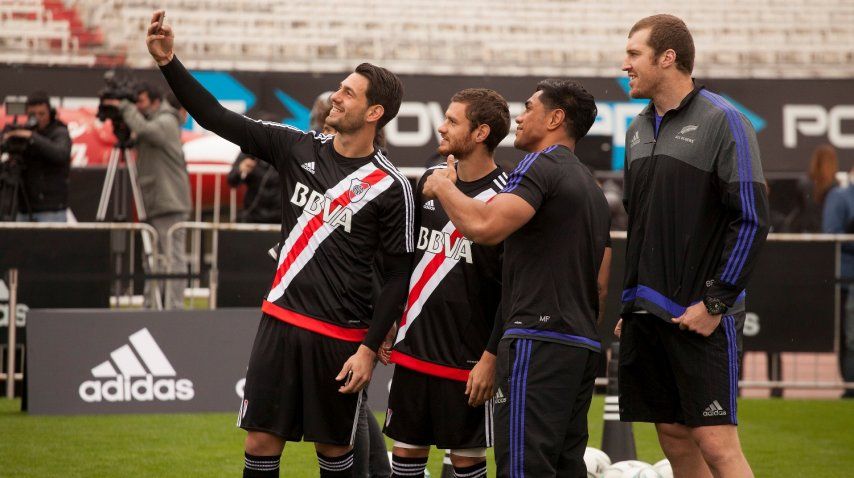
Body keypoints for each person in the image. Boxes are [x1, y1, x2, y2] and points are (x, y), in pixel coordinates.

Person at [146, 10, 413, 478]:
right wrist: (169, 62)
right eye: (341, 86)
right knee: (261, 441)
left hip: (340, 338)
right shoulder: (295, 146)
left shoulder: (392, 186)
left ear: (374, 113)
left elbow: (396, 276)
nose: (337, 95)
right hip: (280, 323)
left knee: (334, 452)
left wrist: (369, 349)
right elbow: (214, 117)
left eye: (349, 92)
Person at [422, 79, 611, 477]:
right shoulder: (591, 188)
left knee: (523, 467)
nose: (520, 118)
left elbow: (485, 225)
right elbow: (601, 281)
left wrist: (441, 186)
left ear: (556, 118)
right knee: (564, 467)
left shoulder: (540, 165)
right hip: (580, 344)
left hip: (538, 340)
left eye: (528, 108)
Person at [615, 14, 770, 478]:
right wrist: (632, 304)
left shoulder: (725, 120)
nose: (624, 65)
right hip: (649, 312)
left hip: (702, 314)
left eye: (633, 54)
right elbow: (641, 224)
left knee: (715, 442)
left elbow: (752, 218)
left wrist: (716, 301)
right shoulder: (637, 128)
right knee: (674, 437)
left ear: (668, 58)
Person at [383, 88, 510, 478]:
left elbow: (512, 290)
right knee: (404, 459)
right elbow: (406, 261)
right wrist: (390, 322)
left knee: (467, 463)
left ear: (480, 132)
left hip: (467, 362)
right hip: (413, 351)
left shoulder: (507, 197)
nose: (441, 127)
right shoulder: (430, 179)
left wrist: (490, 358)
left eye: (453, 121)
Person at [310, 91, 392, 478]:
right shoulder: (313, 167)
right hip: (317, 312)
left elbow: (380, 266)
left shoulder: (382, 184)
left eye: (332, 126)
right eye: (324, 128)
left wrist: (381, 327)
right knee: (353, 410)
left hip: (353, 314)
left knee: (350, 413)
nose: (329, 135)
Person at [102, 81, 192, 310]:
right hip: (155, 200)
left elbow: (145, 131)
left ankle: (173, 306)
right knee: (152, 257)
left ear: (155, 101)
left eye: (139, 102)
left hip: (169, 201)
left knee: (171, 257)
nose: (137, 107)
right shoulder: (153, 120)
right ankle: (153, 304)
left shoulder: (166, 120)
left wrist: (124, 107)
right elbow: (140, 132)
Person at [1, 91, 72, 222]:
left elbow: (60, 154)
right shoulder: (23, 132)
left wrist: (32, 138)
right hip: (24, 207)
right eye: (33, 114)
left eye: (42, 114)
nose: (38, 118)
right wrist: (7, 138)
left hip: (51, 209)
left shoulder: (59, 132)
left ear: (50, 113)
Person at [822, 165, 854, 398]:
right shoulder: (840, 196)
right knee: (848, 335)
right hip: (847, 278)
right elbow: (831, 233)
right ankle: (850, 384)